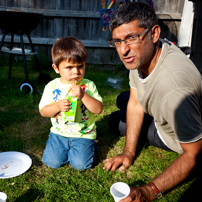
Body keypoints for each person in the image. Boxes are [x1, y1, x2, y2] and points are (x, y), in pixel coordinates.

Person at [103, 2, 202, 201]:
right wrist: (128, 153)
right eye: (117, 41)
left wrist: (148, 191)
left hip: (172, 132)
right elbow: (134, 101)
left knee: (115, 120)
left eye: (131, 38)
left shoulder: (174, 89)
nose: (123, 50)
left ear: (154, 33)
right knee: (122, 99)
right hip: (166, 106)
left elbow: (194, 153)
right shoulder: (145, 54)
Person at [39, 37, 103, 170]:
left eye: (80, 66)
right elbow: (43, 111)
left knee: (81, 165)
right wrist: (57, 106)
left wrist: (83, 95)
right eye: (69, 67)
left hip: (83, 133)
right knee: (52, 162)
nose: (76, 71)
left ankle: (91, 146)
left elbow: (98, 109)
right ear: (56, 68)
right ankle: (60, 147)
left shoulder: (88, 86)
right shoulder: (52, 86)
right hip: (59, 133)